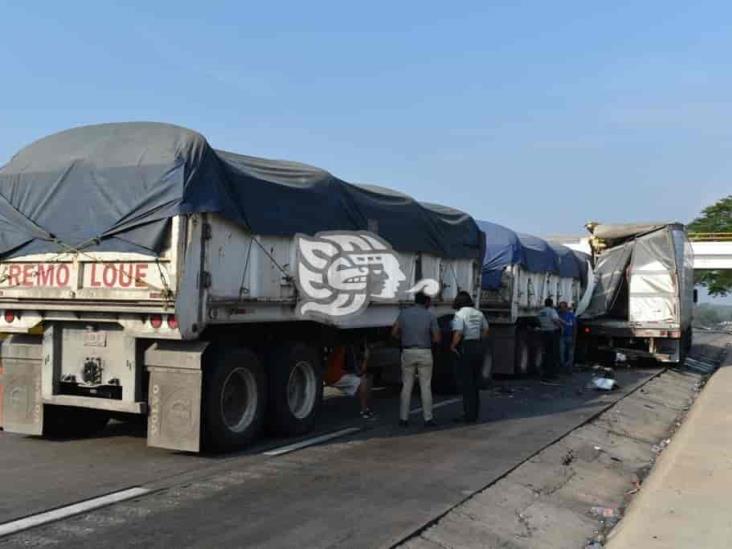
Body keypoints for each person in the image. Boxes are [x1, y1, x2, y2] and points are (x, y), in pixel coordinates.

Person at [391, 292, 440, 427]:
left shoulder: (404, 314)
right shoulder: (430, 316)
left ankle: (403, 418)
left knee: (406, 385)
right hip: (425, 352)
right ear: (426, 302)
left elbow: (394, 332)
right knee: (426, 386)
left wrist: (404, 338)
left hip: (407, 351)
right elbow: (437, 338)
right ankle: (428, 418)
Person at [450, 291, 489, 423]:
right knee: (475, 382)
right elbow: (485, 329)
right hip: (477, 347)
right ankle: (475, 413)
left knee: (467, 383)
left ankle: (468, 415)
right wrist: (480, 340)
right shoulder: (479, 313)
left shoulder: (460, 314)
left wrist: (453, 346)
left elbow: (459, 332)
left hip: (466, 347)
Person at [324, 343, 374, 419]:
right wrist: (366, 358)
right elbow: (361, 372)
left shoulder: (339, 348)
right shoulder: (348, 350)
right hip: (335, 376)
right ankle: (364, 410)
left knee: (355, 380)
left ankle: (333, 402)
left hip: (328, 375)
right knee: (362, 380)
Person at [537, 298, 564, 381]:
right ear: (551, 304)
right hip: (551, 333)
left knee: (545, 352)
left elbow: (538, 321)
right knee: (553, 353)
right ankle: (551, 373)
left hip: (543, 332)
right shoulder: (552, 311)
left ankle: (544, 372)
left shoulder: (541, 312)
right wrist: (561, 326)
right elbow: (555, 319)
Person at [558, 301, 577, 373]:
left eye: (563, 307)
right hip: (562, 337)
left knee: (570, 354)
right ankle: (563, 367)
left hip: (569, 336)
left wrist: (574, 337)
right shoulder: (558, 315)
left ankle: (569, 369)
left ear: (566, 307)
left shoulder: (571, 315)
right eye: (560, 307)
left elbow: (574, 327)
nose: (561, 309)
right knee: (561, 353)